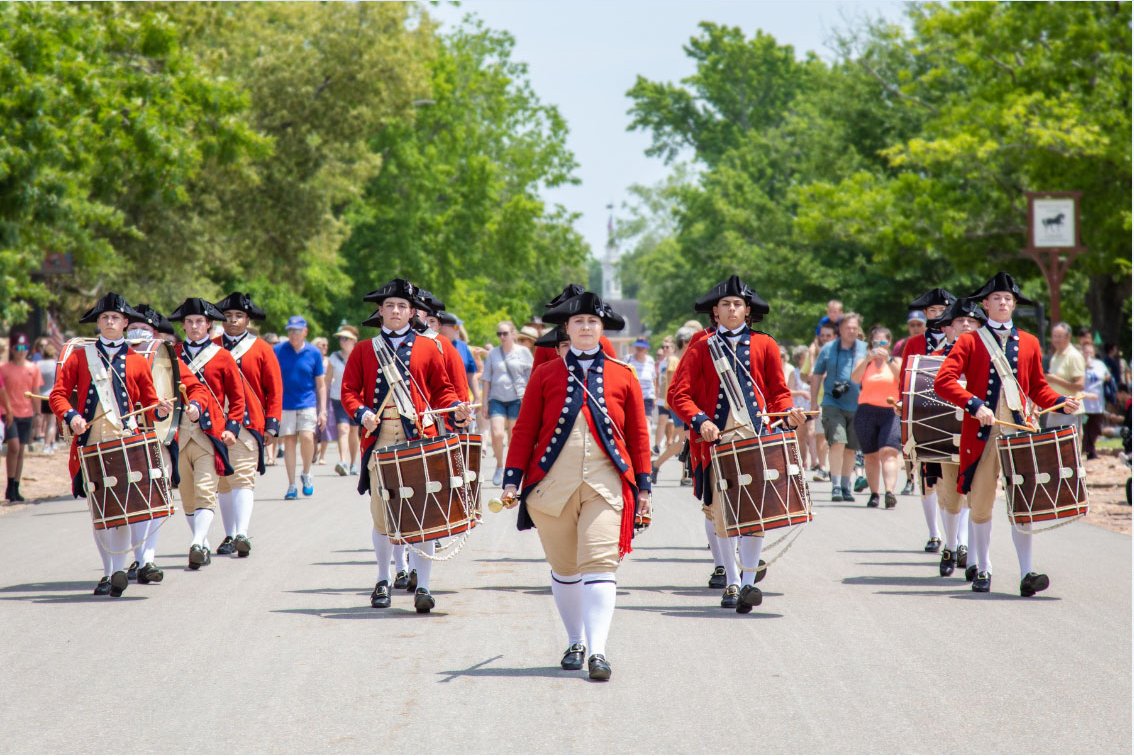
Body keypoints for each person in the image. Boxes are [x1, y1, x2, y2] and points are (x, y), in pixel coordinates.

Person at [500, 290, 651, 680]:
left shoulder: (624, 375)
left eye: (593, 322)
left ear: (602, 329)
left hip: (606, 485)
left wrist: (645, 487)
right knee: (565, 569)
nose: (586, 327)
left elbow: (637, 435)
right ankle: (575, 640)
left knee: (600, 565)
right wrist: (512, 478)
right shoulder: (545, 375)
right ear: (566, 328)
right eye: (579, 322)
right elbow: (525, 431)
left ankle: (598, 652)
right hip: (552, 487)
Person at [935, 272, 1079, 596]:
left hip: (1021, 430)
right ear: (985, 304)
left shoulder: (1028, 342)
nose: (1003, 303)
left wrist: (1059, 402)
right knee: (982, 503)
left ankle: (1027, 572)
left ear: (1014, 305)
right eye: (997, 298)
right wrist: (973, 404)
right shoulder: (970, 341)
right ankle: (983, 568)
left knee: (1024, 504)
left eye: (1008, 299)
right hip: (983, 432)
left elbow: (1038, 386)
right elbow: (943, 380)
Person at [669, 275, 805, 612]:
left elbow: (777, 392)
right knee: (724, 513)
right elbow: (677, 394)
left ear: (747, 311)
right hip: (714, 441)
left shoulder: (765, 345)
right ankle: (730, 581)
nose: (732, 309)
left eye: (738, 304)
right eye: (726, 304)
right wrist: (701, 421)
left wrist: (788, 413)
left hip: (755, 437)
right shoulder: (701, 345)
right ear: (715, 312)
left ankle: (746, 584)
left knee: (755, 513)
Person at [341, 278, 470, 614]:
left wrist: (454, 405)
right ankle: (382, 579)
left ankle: (424, 586)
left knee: (423, 516)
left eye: (401, 306)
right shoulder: (364, 350)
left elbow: (442, 390)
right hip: (381, 439)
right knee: (382, 516)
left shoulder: (428, 348)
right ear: (380, 312)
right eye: (389, 306)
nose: (395, 311)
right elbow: (349, 392)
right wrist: (363, 412)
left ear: (412, 312)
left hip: (420, 439)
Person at [49, 293, 176, 596]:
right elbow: (58, 394)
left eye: (115, 318)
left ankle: (129, 565)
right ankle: (111, 572)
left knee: (134, 506)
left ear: (124, 323)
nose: (109, 322)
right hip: (92, 441)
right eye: (104, 317)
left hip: (128, 440)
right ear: (99, 322)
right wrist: (72, 415)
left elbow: (149, 400)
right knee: (103, 510)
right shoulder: (82, 356)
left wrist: (159, 410)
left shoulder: (135, 359)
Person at [169, 297, 246, 570]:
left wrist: (232, 428)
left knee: (205, 489)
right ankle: (198, 538)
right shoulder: (171, 355)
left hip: (209, 431)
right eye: (189, 322)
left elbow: (237, 399)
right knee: (187, 495)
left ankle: (199, 542)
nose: (194, 327)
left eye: (199, 322)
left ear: (209, 324)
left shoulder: (221, 356)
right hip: (176, 431)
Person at [213, 291, 284, 558]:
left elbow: (274, 389)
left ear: (247, 319)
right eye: (228, 316)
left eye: (238, 316)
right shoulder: (212, 346)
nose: (232, 321)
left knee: (243, 477)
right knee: (223, 481)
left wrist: (272, 424)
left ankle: (241, 533)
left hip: (248, 421)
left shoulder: (262, 348)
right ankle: (229, 533)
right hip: (217, 421)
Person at [897, 288, 957, 548]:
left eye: (942, 311)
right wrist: (902, 402)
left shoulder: (959, 339)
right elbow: (906, 377)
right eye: (932, 311)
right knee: (927, 475)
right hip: (923, 411)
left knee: (951, 476)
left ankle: (955, 537)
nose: (937, 315)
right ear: (925, 313)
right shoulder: (914, 342)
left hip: (953, 410)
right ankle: (935, 533)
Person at [931, 297, 984, 578]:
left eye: (972, 321)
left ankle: (973, 556)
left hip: (980, 435)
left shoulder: (989, 357)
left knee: (980, 497)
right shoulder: (934, 362)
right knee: (952, 496)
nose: (966, 324)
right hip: (948, 436)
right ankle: (951, 546)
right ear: (948, 327)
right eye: (960, 321)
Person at [811, 313, 867, 502]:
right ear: (840, 330)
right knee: (837, 442)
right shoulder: (828, 349)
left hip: (858, 405)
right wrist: (812, 402)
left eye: (855, 327)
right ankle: (835, 485)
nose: (851, 331)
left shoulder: (865, 349)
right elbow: (817, 375)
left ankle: (846, 486)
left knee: (851, 448)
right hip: (832, 402)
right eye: (848, 327)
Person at [274, 316, 327, 500]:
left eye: (297, 331)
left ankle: (306, 472)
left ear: (305, 332)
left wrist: (323, 410)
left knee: (306, 437)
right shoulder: (278, 350)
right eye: (290, 331)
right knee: (289, 441)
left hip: (307, 402)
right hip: (285, 403)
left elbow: (320, 384)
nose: (293, 335)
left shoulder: (314, 353)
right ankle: (291, 485)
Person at [851, 326, 903, 509]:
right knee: (870, 455)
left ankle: (889, 491)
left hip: (890, 412)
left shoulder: (896, 361)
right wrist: (867, 359)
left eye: (883, 342)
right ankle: (874, 494)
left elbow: (901, 378)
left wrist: (888, 359)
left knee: (889, 452)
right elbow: (855, 379)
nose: (879, 346)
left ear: (888, 343)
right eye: (876, 343)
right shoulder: (865, 362)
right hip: (866, 411)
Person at [481, 320, 533, 486]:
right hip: (496, 398)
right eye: (499, 334)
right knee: (497, 433)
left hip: (517, 398)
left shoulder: (523, 352)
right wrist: (484, 403)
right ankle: (499, 465)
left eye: (505, 333)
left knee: (513, 437)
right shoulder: (493, 354)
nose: (502, 337)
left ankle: (512, 468)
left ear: (513, 334)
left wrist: (530, 399)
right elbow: (486, 379)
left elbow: (532, 376)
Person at [2, 333, 43, 502]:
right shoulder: (3, 369)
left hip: (26, 413)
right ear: (12, 349)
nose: (21, 351)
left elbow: (35, 393)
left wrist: (38, 414)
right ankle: (10, 484)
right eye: (18, 348)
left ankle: (15, 487)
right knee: (14, 447)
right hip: (8, 413)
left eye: (24, 348)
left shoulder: (33, 368)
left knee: (21, 451)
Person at [328, 324, 361, 476]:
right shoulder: (334, 357)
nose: (343, 341)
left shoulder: (359, 355)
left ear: (354, 340)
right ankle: (342, 461)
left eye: (346, 338)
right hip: (338, 398)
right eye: (341, 338)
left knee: (354, 431)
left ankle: (354, 462)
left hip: (356, 399)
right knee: (343, 429)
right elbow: (327, 380)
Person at [1044, 322, 1086, 433]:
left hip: (1070, 411)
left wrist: (1054, 379)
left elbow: (1080, 386)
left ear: (1068, 337)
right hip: (1054, 409)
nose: (1055, 340)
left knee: (1070, 448)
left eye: (1059, 336)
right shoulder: (1056, 355)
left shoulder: (1074, 356)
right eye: (1054, 336)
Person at [437, 312, 480, 405]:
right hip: (440, 400)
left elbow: (470, 373)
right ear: (441, 327)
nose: (459, 330)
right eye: (456, 327)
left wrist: (477, 396)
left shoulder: (463, 346)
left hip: (462, 400)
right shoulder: (433, 344)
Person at [1081, 342, 1111, 460]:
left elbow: (1107, 376)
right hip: (1084, 402)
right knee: (1085, 428)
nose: (1088, 354)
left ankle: (1090, 449)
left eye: (1090, 352)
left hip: (1098, 402)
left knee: (1096, 427)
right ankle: (1088, 450)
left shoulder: (1099, 364)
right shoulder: (1079, 364)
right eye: (1086, 352)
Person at [311, 336, 335, 465]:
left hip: (328, 398)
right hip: (313, 397)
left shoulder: (329, 361)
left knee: (326, 428)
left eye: (326, 345)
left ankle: (322, 456)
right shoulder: (312, 360)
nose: (325, 347)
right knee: (313, 428)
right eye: (322, 345)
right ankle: (314, 452)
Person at [36, 341, 58, 455]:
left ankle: (50, 442)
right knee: (51, 423)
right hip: (51, 395)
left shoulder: (38, 364)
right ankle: (47, 445)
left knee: (44, 420)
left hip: (39, 395)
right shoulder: (55, 365)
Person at [626, 338, 656, 424]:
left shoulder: (650, 360)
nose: (640, 350)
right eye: (638, 347)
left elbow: (653, 379)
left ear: (646, 349)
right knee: (633, 421)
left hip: (647, 396)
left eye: (642, 348)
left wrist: (654, 396)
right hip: (632, 396)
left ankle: (647, 437)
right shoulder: (628, 359)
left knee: (647, 420)